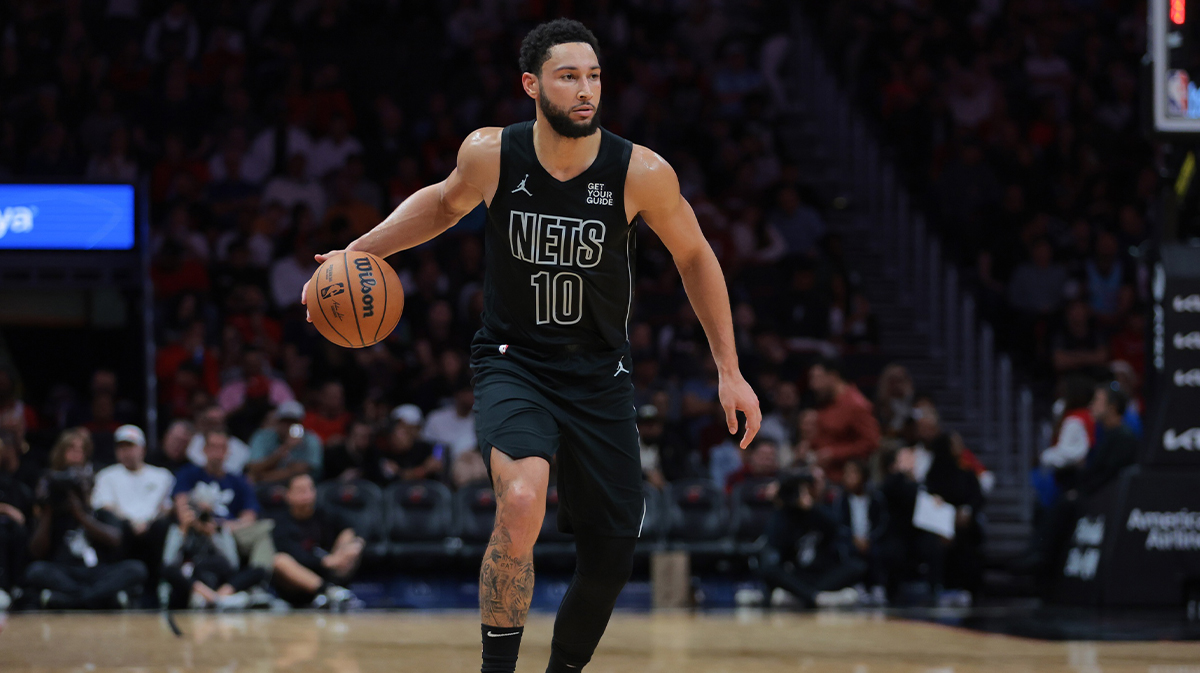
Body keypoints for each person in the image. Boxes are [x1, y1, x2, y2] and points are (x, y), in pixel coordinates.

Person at [301, 19, 760, 673]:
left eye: (594, 76)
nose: (585, 89)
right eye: (568, 75)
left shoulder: (641, 171)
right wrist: (356, 252)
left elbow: (694, 255)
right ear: (531, 84)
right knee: (520, 502)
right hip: (515, 363)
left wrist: (729, 369)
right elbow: (441, 203)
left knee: (611, 555)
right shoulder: (491, 153)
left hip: (600, 375)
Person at [24, 430, 147, 609]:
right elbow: (36, 551)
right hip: (64, 570)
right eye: (70, 449)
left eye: (81, 450)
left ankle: (68, 600)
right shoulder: (52, 501)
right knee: (35, 571)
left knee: (136, 569)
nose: (76, 454)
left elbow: (115, 539)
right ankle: (102, 598)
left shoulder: (97, 501)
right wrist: (49, 510)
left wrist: (81, 514)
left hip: (97, 571)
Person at [754, 469, 866, 609]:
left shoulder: (820, 511)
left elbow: (835, 527)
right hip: (797, 573)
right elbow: (775, 544)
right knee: (769, 570)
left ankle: (799, 596)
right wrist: (781, 504)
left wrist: (811, 506)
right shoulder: (783, 516)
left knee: (857, 567)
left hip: (820, 573)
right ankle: (817, 597)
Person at [90, 425, 174, 607]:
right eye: (121, 447)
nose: (126, 452)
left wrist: (148, 522)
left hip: (151, 528)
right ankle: (121, 587)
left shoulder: (161, 475)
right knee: (110, 523)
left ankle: (155, 588)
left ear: (142, 448)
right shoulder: (107, 476)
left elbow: (165, 508)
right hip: (122, 528)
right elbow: (105, 506)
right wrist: (130, 522)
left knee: (163, 526)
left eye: (130, 446)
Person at [173, 430, 276, 578]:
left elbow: (249, 516)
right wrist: (202, 525)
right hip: (196, 529)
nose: (217, 452)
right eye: (213, 447)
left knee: (263, 532)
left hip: (229, 530)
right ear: (204, 449)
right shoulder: (188, 474)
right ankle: (249, 583)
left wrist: (223, 527)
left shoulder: (239, 481)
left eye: (221, 448)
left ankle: (256, 583)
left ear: (228, 451)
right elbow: (181, 507)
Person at [270, 473, 361, 608]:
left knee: (353, 545)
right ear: (288, 495)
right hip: (298, 582)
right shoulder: (280, 523)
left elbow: (351, 529)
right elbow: (296, 556)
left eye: (310, 489)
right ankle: (329, 592)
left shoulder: (325, 514)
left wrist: (348, 546)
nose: (307, 495)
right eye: (301, 491)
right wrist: (327, 562)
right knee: (279, 561)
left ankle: (336, 592)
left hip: (329, 571)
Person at [807, 357, 880, 482]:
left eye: (817, 378)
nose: (813, 385)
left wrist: (834, 454)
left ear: (832, 376)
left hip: (843, 482)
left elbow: (871, 443)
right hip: (820, 478)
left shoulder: (856, 405)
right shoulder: (824, 402)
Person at [831, 460, 889, 604]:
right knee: (845, 551)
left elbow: (882, 523)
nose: (849, 477)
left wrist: (869, 538)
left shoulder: (876, 498)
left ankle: (878, 587)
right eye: (847, 474)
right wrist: (854, 538)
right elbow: (839, 524)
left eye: (854, 473)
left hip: (871, 539)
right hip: (850, 539)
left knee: (880, 551)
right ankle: (856, 586)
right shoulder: (841, 500)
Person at [246, 401, 324, 484]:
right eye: (285, 421)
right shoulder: (263, 436)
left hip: (299, 485)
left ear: (301, 424)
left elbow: (298, 472)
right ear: (277, 421)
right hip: (265, 486)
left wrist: (261, 477)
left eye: (293, 422)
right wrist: (285, 448)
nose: (288, 426)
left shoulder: (311, 440)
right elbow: (253, 468)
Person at [366, 405, 443, 485]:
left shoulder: (423, 448)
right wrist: (423, 469)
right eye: (401, 431)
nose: (408, 434)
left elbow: (436, 463)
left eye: (408, 430)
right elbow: (396, 479)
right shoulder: (381, 452)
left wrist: (436, 458)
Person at [0, 432, 32, 610]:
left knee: (19, 532)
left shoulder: (24, 476)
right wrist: (5, 509)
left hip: (19, 529)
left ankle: (18, 586)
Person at [186, 405, 252, 475]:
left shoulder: (239, 447)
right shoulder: (194, 441)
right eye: (210, 422)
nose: (214, 426)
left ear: (224, 423)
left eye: (217, 422)